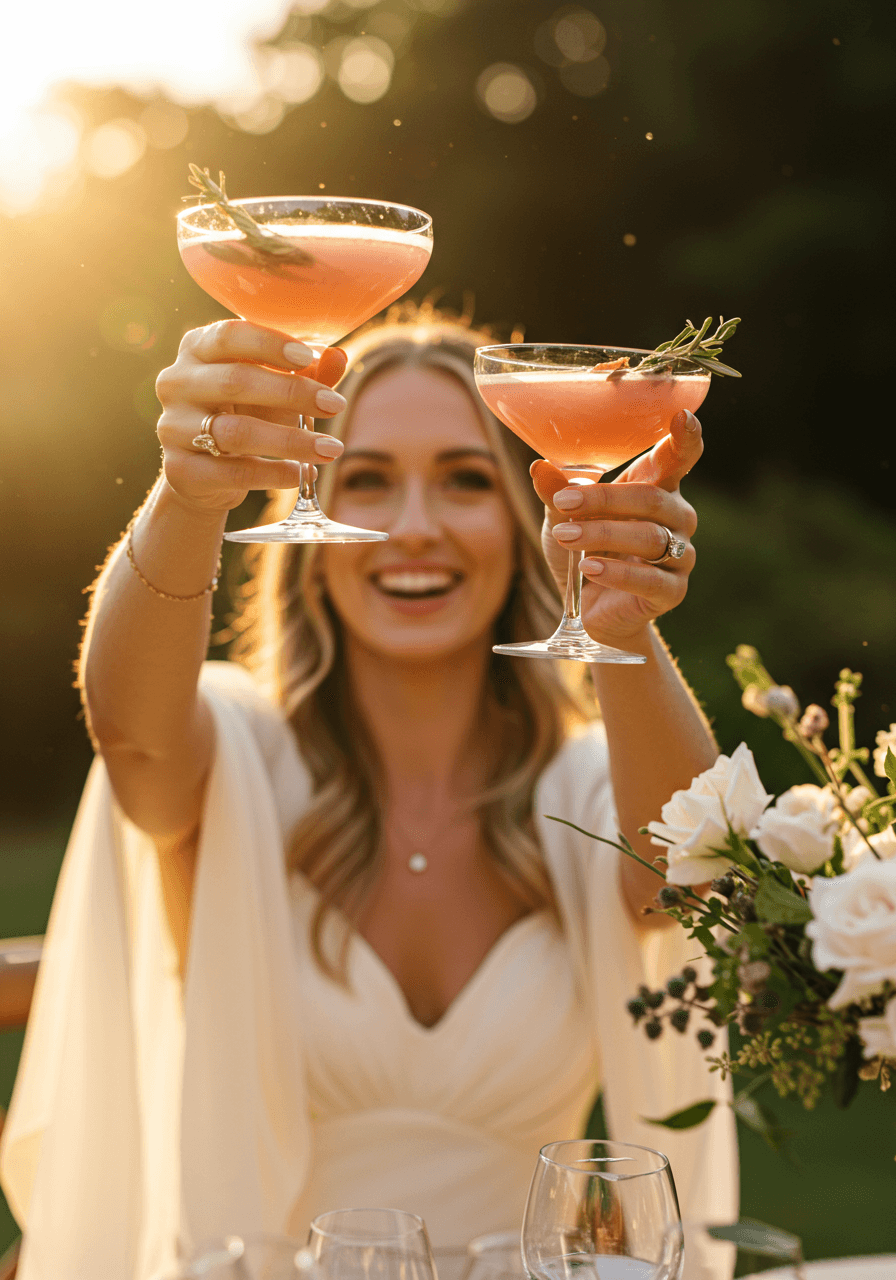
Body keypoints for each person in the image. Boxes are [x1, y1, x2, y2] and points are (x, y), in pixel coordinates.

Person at [0, 306, 736, 1280]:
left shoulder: (587, 785)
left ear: (531, 519)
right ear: (312, 510)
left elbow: (688, 878)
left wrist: (622, 624)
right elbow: (130, 733)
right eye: (368, 478)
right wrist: (188, 492)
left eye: (465, 479)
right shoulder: (240, 756)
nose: (414, 525)